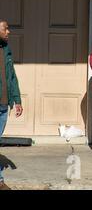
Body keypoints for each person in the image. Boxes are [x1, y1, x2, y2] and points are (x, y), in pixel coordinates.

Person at [0, 19, 23, 190]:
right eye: (5, 29)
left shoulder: (6, 49)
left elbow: (12, 76)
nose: (9, 32)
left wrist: (17, 100)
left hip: (3, 105)